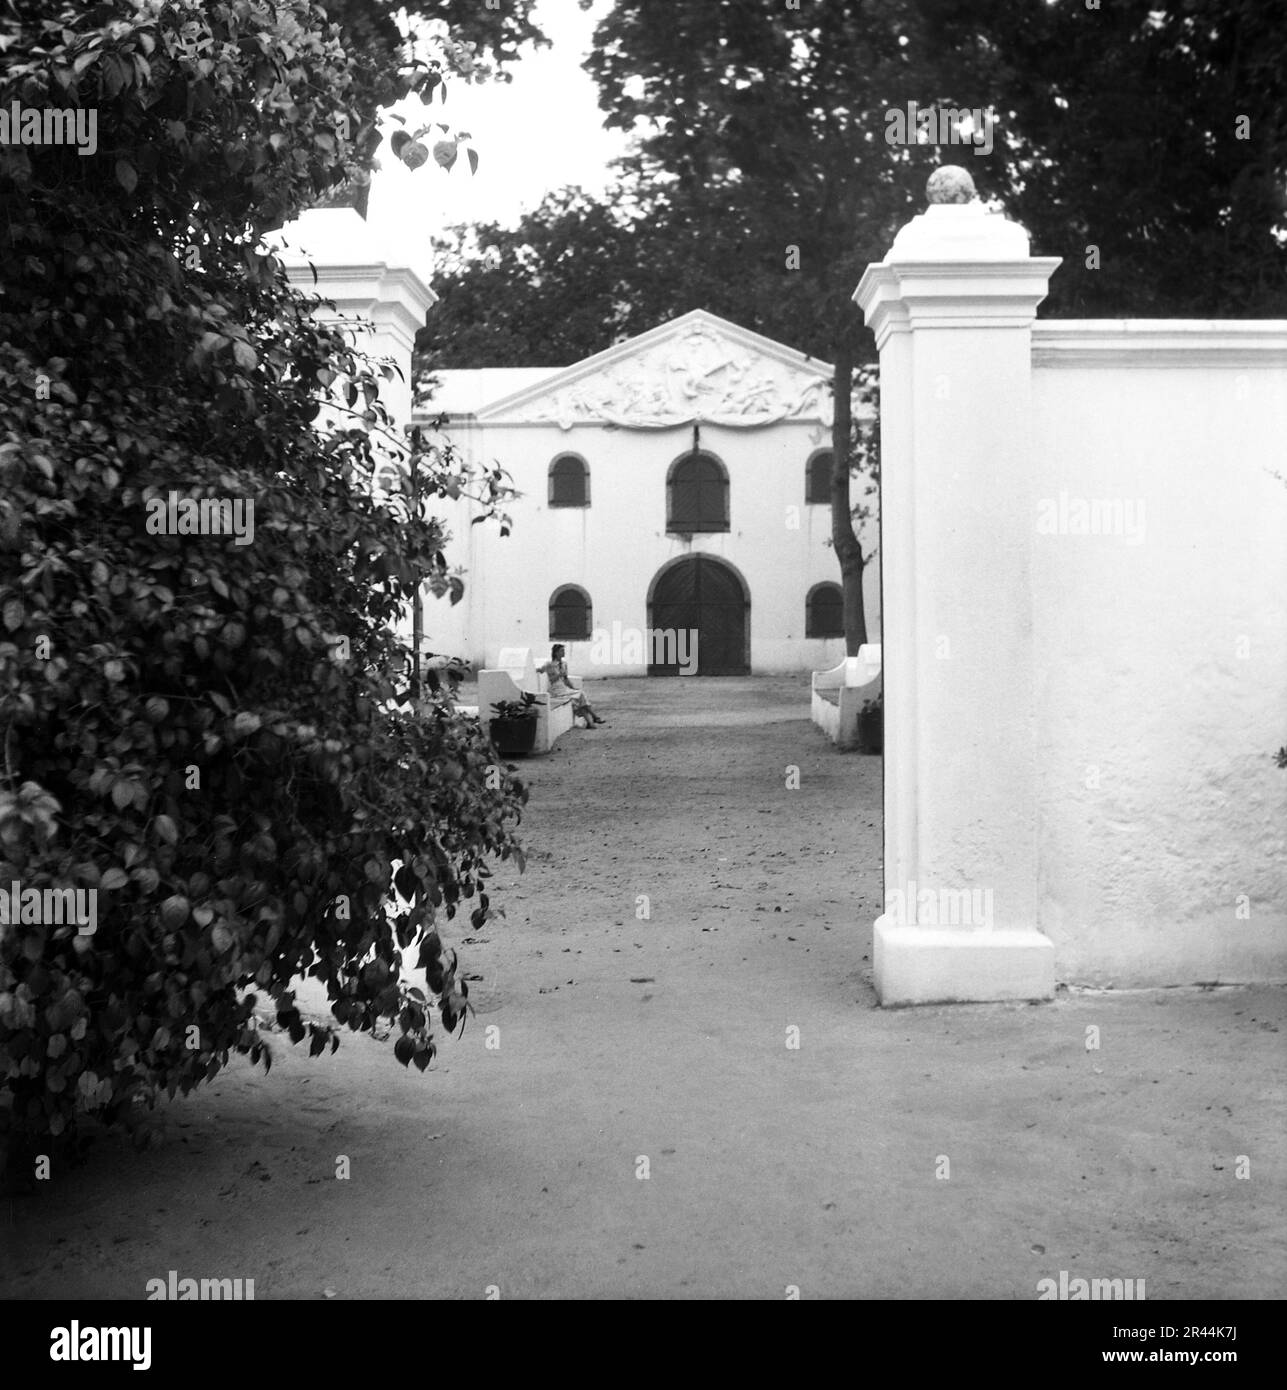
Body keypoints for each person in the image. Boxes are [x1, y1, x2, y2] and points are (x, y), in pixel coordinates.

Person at [537, 644, 606, 727]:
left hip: (564, 688)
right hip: (556, 689)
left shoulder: (564, 664)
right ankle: (594, 717)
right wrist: (557, 674)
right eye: (561, 651)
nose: (563, 652)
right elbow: (549, 677)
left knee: (579, 698)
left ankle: (590, 722)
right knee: (581, 695)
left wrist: (573, 688)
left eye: (563, 650)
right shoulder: (549, 664)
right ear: (556, 653)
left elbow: (566, 679)